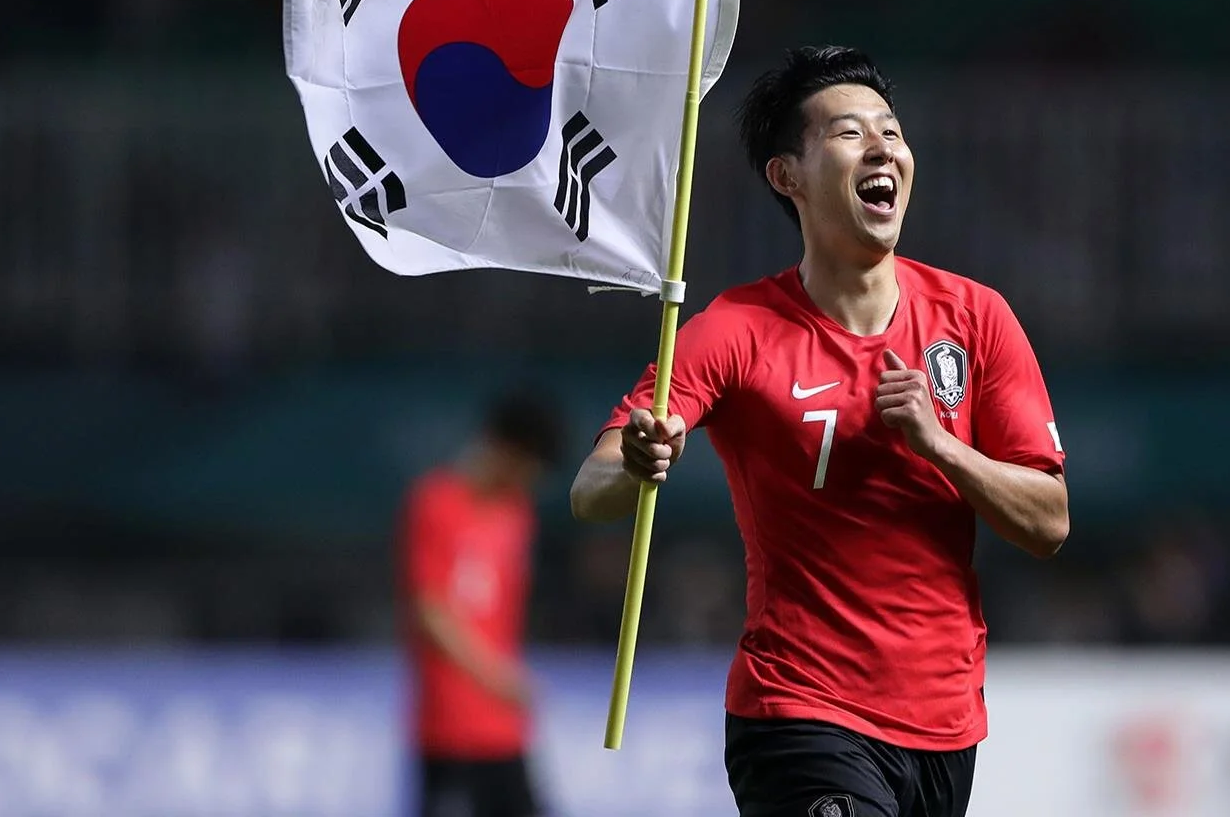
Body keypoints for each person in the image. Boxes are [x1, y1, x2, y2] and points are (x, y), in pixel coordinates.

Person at [570, 45, 1070, 817]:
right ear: (788, 176)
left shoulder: (976, 318)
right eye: (849, 133)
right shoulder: (736, 329)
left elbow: (1049, 523)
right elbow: (590, 490)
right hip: (798, 710)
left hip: (945, 726)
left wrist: (940, 445)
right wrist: (637, 460)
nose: (882, 149)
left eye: (891, 132)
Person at [401, 391, 562, 817]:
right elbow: (431, 612)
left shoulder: (518, 514)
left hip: (505, 733)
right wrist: (496, 677)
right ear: (506, 450)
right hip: (448, 730)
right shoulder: (436, 503)